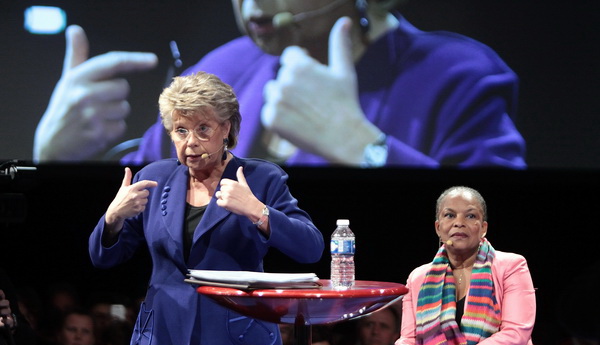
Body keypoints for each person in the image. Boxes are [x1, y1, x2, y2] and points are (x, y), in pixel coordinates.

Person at [34, 0, 525, 169]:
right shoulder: (221, 67)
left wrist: (366, 149)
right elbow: (141, 211)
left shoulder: (460, 75)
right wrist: (53, 163)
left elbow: (498, 252)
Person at [88, 71, 324, 345]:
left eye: (203, 129)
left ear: (226, 129)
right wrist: (112, 218)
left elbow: (310, 247)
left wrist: (258, 211)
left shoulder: (261, 178)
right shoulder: (153, 178)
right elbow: (104, 257)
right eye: (181, 130)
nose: (191, 142)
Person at [395, 186, 552, 345]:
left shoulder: (512, 265)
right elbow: (408, 340)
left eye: (470, 215)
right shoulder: (418, 278)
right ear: (438, 228)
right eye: (450, 215)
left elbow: (516, 334)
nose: (459, 222)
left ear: (483, 228)